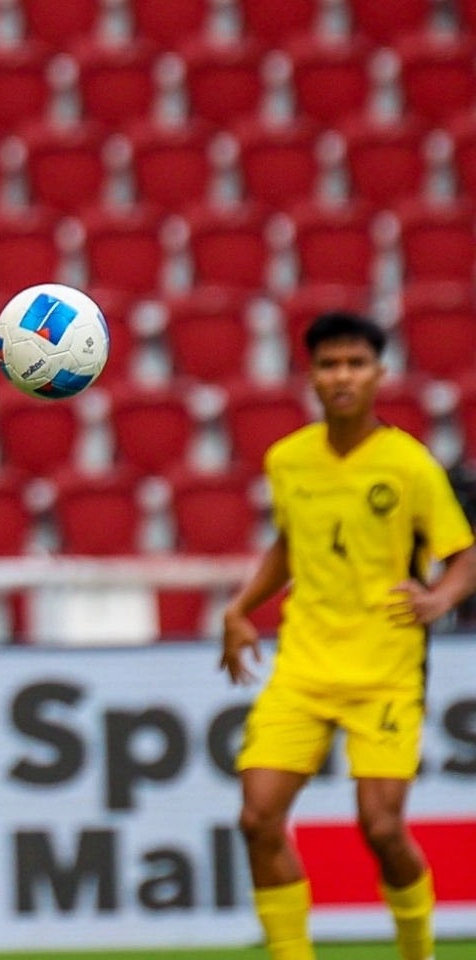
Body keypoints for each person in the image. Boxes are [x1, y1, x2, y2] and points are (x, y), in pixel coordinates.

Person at [220, 311, 476, 960]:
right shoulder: (288, 460)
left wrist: (440, 597)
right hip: (303, 665)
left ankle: (417, 949)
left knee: (382, 827)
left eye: (356, 364)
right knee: (256, 818)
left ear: (378, 374)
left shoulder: (410, 466)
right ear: (310, 373)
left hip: (385, 668)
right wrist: (241, 607)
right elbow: (290, 544)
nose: (342, 376)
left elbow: (464, 555)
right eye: (330, 364)